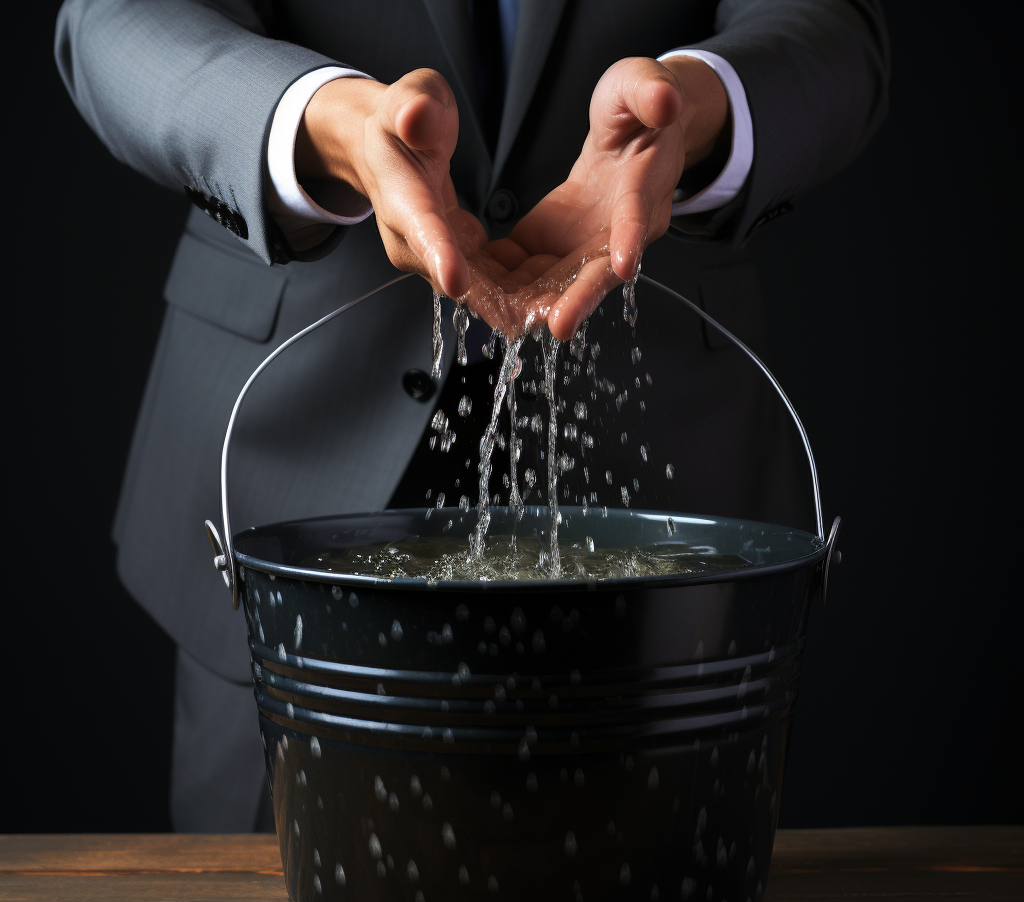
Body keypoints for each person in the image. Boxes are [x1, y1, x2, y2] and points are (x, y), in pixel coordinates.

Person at [55, 0, 889, 832]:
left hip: (664, 496)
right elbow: (116, 19)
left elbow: (834, 30)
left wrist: (700, 106)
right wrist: (322, 118)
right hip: (290, 466)